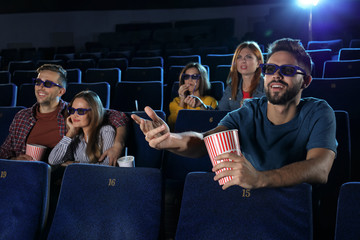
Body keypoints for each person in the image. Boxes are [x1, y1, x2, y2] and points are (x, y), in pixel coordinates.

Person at [132, 38, 337, 190]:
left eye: (289, 70)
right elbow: (205, 141)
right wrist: (170, 140)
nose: (277, 75)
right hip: (249, 201)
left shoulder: (319, 111)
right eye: (271, 68)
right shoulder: (249, 111)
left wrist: (260, 178)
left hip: (294, 206)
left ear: (306, 81)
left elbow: (319, 168)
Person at [0, 64, 128, 166]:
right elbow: (4, 152)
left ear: (61, 91)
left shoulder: (72, 111)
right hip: (25, 174)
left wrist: (118, 145)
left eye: (48, 84)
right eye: (38, 82)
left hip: (61, 178)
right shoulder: (22, 116)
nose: (40, 87)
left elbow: (118, 116)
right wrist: (14, 159)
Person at [49, 90, 116, 166]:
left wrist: (74, 164)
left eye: (80, 111)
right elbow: (53, 160)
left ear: (94, 113)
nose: (74, 115)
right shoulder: (76, 137)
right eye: (72, 110)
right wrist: (69, 135)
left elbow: (107, 165)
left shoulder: (106, 131)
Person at [168, 62, 218, 130]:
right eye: (186, 76)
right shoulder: (176, 101)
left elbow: (210, 124)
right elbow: (173, 125)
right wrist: (182, 100)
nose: (189, 80)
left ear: (202, 79)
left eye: (194, 76)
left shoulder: (209, 100)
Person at [218, 41, 265, 111]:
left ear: (258, 63)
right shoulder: (231, 86)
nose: (243, 60)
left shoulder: (267, 86)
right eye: (239, 57)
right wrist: (204, 108)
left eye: (248, 57)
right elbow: (220, 112)